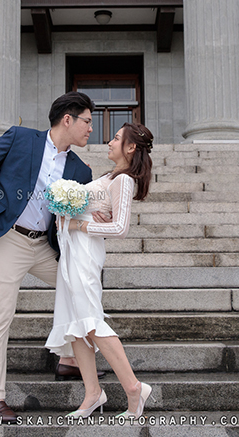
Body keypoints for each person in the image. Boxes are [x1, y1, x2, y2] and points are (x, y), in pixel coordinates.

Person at [0, 91, 108, 424]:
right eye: (88, 122)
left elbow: (79, 213)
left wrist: (97, 215)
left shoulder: (80, 169)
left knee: (81, 286)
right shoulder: (21, 139)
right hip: (4, 238)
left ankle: (68, 359)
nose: (92, 129)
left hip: (43, 245)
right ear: (68, 119)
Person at [45, 122, 155, 419]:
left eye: (117, 138)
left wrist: (79, 224)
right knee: (75, 324)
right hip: (72, 250)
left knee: (91, 321)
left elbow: (120, 227)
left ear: (131, 147)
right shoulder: (110, 176)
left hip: (85, 252)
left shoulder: (124, 180)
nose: (110, 141)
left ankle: (134, 388)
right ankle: (92, 393)